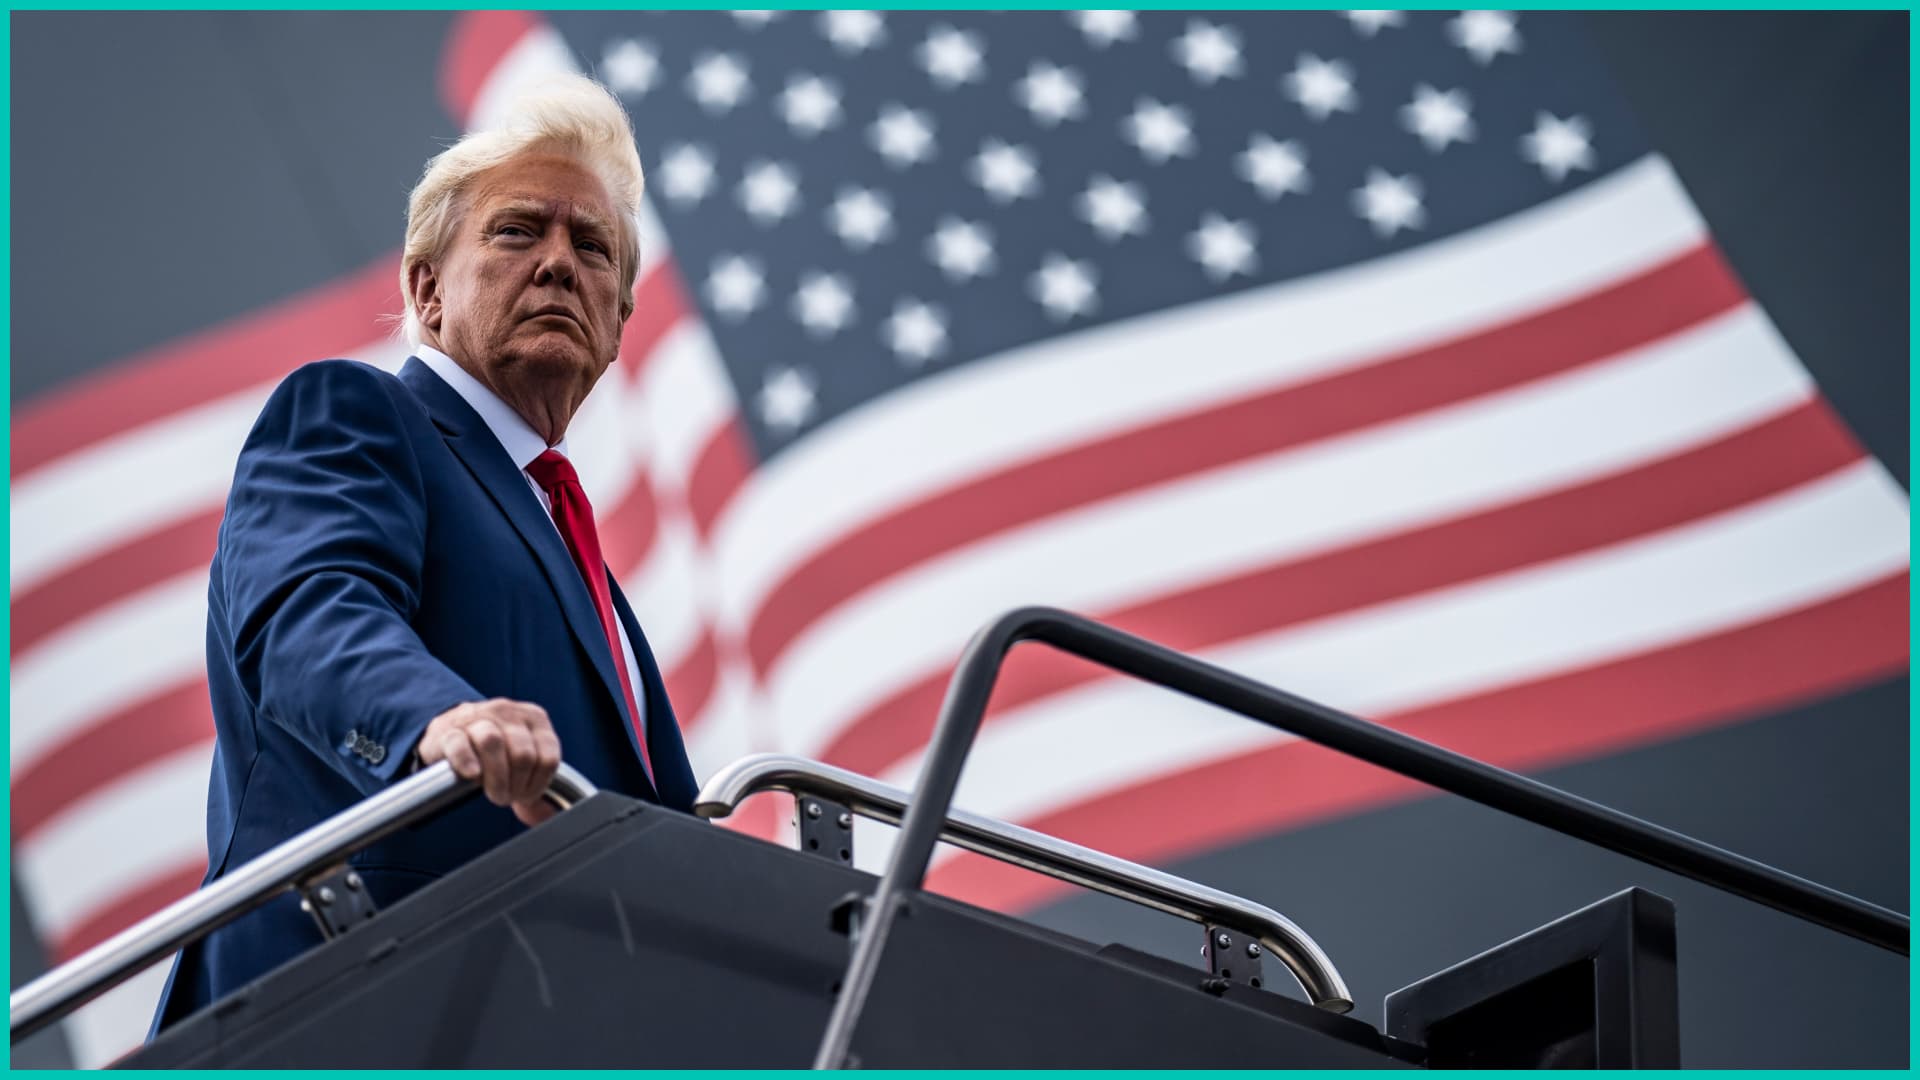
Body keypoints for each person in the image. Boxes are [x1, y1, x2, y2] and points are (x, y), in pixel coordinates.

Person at [150, 74, 697, 1032]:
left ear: (619, 326)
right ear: (426, 289)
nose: (561, 264)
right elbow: (309, 609)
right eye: (519, 230)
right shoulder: (355, 413)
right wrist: (437, 722)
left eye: (594, 246)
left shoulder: (594, 578)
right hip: (352, 1003)